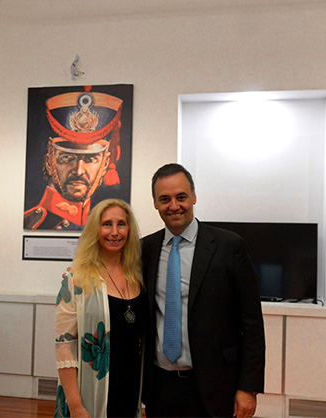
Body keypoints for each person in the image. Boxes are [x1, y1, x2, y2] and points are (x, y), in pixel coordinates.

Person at [141, 163, 265, 418]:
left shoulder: (229, 246)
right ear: (155, 203)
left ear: (194, 197)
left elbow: (252, 322)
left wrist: (248, 387)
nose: (174, 206)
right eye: (164, 199)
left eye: (181, 197)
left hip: (215, 387)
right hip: (160, 387)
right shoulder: (145, 250)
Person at [55, 199, 148, 418]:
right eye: (107, 224)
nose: (114, 232)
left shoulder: (139, 275)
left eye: (121, 224)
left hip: (130, 389)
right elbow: (64, 346)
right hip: (90, 393)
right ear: (95, 230)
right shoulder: (76, 279)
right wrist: (75, 406)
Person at [25, 90, 125, 230]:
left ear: (105, 164)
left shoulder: (102, 225)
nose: (78, 171)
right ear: (49, 162)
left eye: (91, 159)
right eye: (67, 158)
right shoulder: (32, 225)